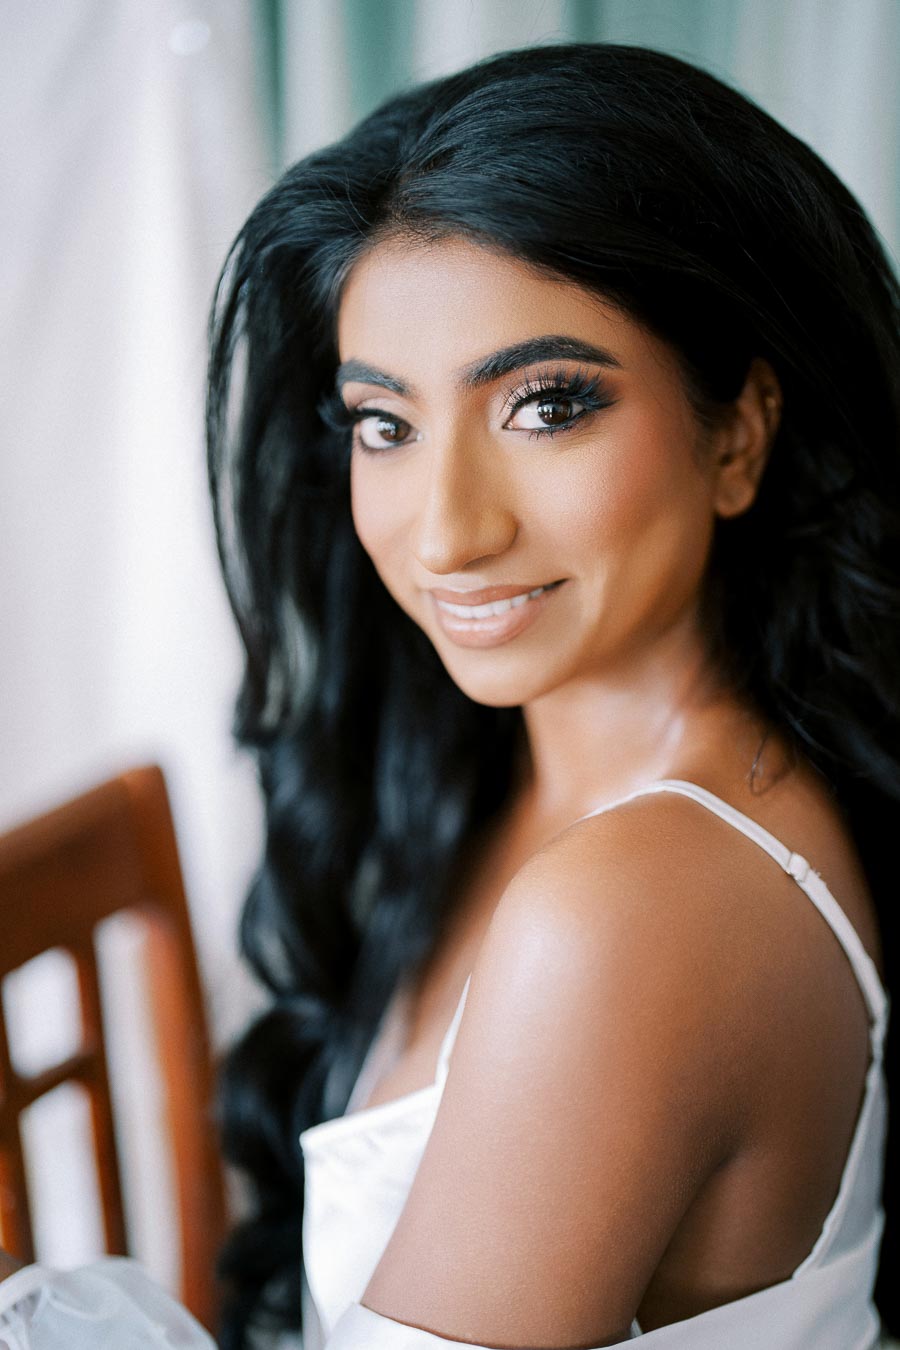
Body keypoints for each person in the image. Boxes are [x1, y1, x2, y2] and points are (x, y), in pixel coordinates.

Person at [0, 39, 896, 1350]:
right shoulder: (517, 777)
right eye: (384, 422)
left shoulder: (635, 909)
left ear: (738, 432)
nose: (446, 533)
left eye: (544, 405)